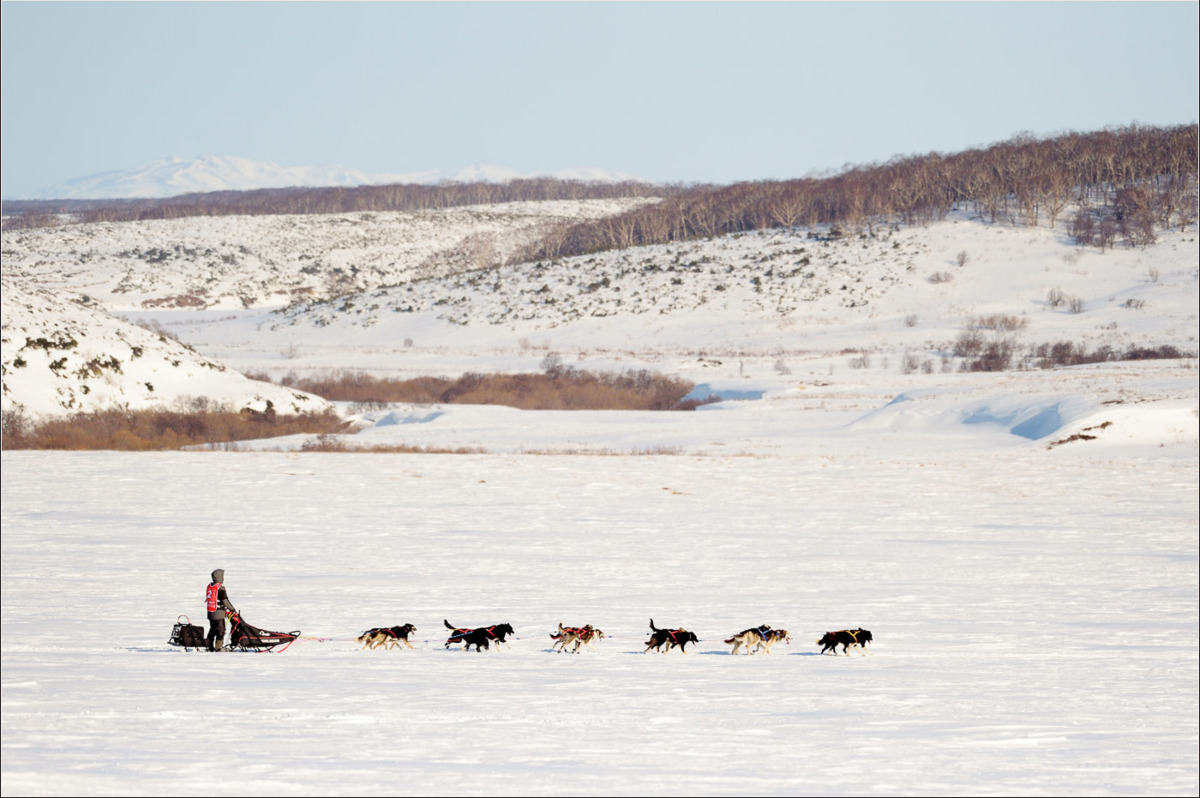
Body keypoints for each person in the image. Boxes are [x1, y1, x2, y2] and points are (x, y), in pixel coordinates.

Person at [205, 569, 236, 652]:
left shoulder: (210, 586)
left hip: (210, 612)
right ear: (220, 578)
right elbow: (224, 601)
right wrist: (232, 609)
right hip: (218, 613)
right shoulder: (220, 588)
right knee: (220, 630)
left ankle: (209, 646)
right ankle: (218, 647)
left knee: (213, 629)